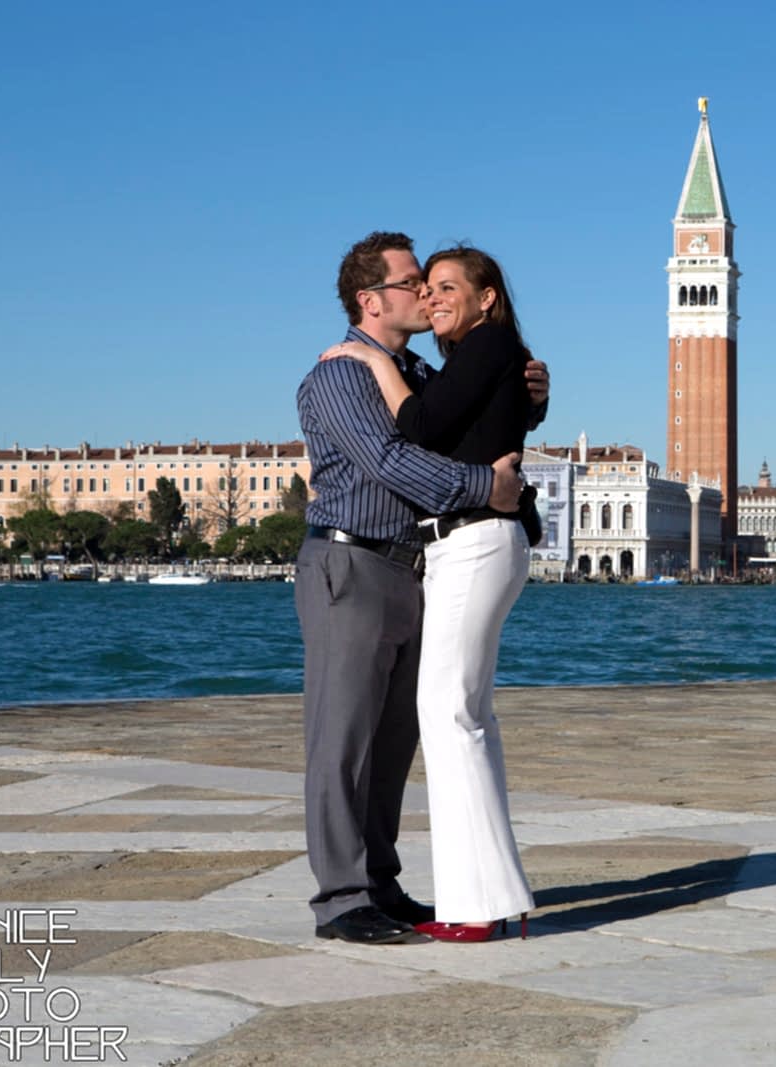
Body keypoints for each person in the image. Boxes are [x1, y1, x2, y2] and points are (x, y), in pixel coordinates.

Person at [295, 232, 548, 945]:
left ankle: (378, 881)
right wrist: (486, 488)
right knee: (342, 740)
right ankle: (341, 900)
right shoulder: (342, 374)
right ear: (369, 301)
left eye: (435, 285)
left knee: (395, 739)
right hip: (351, 565)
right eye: (412, 283)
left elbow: (470, 420)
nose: (426, 295)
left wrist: (534, 397)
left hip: (412, 568)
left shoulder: (417, 373)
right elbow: (389, 460)